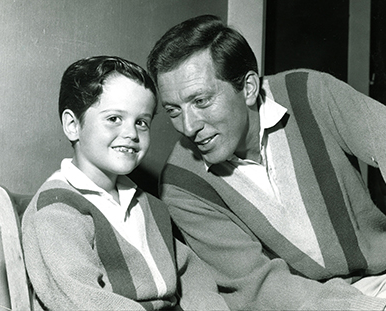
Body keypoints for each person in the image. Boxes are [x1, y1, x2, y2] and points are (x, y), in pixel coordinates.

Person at [147, 15, 386, 310]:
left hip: (384, 280)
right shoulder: (181, 184)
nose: (188, 127)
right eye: (174, 110)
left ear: (249, 88)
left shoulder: (309, 93)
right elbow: (260, 286)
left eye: (201, 101)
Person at [21, 56, 230, 311]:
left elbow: (190, 273)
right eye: (114, 119)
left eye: (141, 122)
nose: (131, 133)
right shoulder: (57, 210)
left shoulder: (150, 206)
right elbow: (81, 300)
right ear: (73, 125)